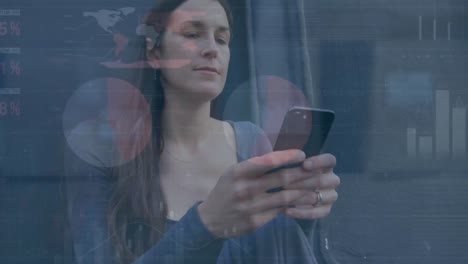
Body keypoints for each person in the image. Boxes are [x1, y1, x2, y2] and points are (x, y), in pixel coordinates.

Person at [64, 0, 340, 263]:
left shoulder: (252, 142)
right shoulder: (103, 152)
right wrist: (206, 224)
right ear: (154, 52)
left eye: (222, 39)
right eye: (192, 34)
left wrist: (301, 214)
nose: (212, 49)